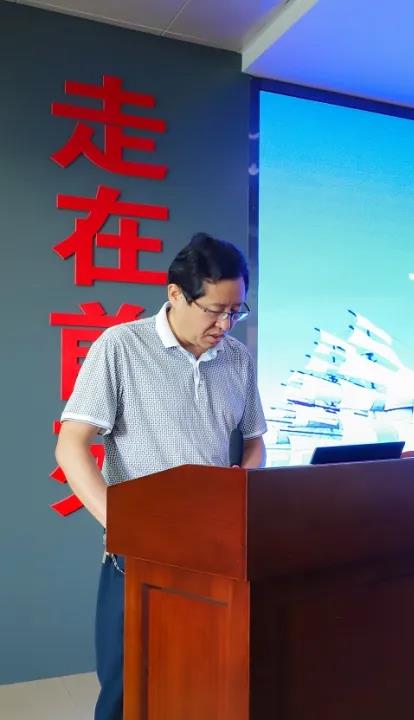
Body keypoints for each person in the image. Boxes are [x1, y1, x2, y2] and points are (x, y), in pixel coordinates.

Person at [54, 233, 267, 720]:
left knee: (203, 683)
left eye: (236, 311)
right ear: (175, 294)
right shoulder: (122, 347)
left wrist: (243, 486)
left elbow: (255, 439)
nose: (225, 324)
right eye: (214, 310)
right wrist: (124, 525)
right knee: (127, 689)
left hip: (216, 551)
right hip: (142, 557)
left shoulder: (237, 357)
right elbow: (71, 444)